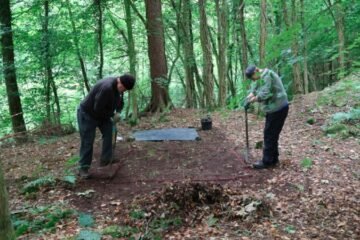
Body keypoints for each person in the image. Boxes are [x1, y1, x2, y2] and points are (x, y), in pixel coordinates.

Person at [77, 74, 135, 178]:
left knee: (110, 132)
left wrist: (118, 112)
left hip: (102, 115)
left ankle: (106, 158)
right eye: (123, 88)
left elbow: (120, 102)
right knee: (88, 141)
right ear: (119, 82)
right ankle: (83, 168)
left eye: (125, 90)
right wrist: (112, 116)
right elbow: (97, 108)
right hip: (87, 114)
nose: (123, 91)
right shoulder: (106, 88)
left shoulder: (120, 88)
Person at [245, 65, 289, 169]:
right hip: (274, 109)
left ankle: (267, 161)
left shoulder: (267, 76)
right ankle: (273, 159)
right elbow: (256, 86)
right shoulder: (261, 77)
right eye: (251, 79)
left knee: (269, 134)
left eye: (252, 77)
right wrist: (250, 94)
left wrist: (255, 99)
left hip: (279, 108)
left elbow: (265, 93)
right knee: (271, 134)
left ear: (256, 71)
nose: (253, 80)